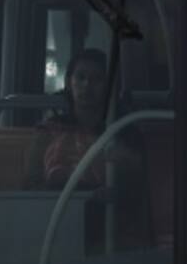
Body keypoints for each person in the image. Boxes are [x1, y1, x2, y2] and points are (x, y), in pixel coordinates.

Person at [40, 48, 141, 189]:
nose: (87, 85)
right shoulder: (49, 130)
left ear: (109, 86)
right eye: (81, 77)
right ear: (69, 83)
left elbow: (137, 186)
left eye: (97, 79)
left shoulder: (124, 131)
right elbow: (32, 183)